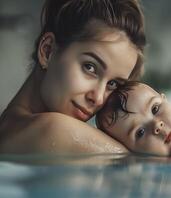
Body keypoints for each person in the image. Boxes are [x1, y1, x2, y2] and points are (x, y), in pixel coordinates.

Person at [0, 0, 146, 154]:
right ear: (47, 51)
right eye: (90, 67)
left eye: (113, 84)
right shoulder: (52, 130)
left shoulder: (10, 127)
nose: (98, 98)